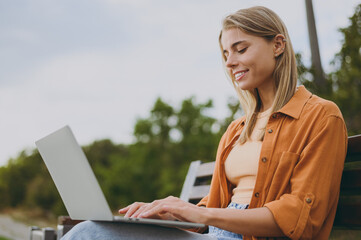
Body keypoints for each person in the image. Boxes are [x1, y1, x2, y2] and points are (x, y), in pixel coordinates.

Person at [62, 6, 347, 240]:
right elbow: (211, 210)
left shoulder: (321, 117)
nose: (230, 62)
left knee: (90, 233)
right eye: (225, 54)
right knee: (96, 230)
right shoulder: (236, 131)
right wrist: (172, 214)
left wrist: (204, 215)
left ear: (278, 45)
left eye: (240, 49)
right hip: (215, 235)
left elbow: (301, 216)